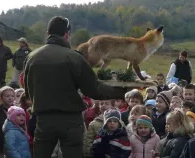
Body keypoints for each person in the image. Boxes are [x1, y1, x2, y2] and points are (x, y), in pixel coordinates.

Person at [23, 16, 128, 158]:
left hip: (43, 120)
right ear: (67, 34)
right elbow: (94, 89)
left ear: (48, 33)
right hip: (70, 121)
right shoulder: (74, 58)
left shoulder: (31, 57)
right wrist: (122, 92)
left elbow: (28, 92)